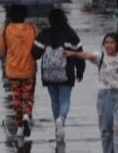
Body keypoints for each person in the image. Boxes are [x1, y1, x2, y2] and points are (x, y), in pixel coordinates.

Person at [65, 33, 118, 153]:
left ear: (117, 44)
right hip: (104, 96)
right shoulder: (100, 56)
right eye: (106, 42)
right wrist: (73, 54)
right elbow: (87, 55)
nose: (109, 45)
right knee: (106, 130)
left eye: (112, 42)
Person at [33, 9, 86, 141]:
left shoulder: (44, 34)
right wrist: (80, 69)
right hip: (66, 73)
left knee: (54, 100)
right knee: (65, 99)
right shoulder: (71, 34)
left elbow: (35, 53)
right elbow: (79, 53)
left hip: (49, 74)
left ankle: (58, 128)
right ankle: (61, 119)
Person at [0, 4, 39, 140]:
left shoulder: (6, 30)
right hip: (29, 68)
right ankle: (27, 114)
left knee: (16, 97)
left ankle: (19, 126)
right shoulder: (32, 28)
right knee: (28, 95)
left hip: (13, 69)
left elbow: (1, 49)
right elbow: (38, 46)